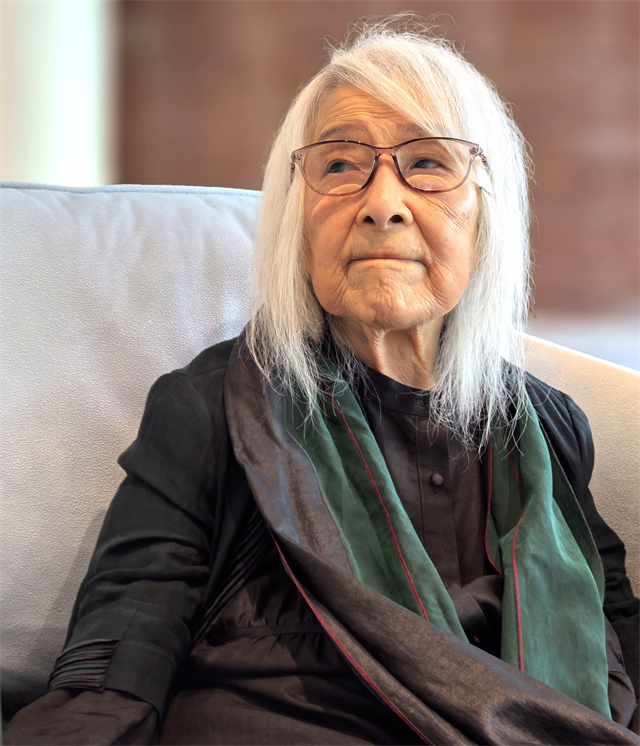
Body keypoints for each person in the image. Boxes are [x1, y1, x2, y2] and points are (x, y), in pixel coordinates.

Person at [4, 19, 639, 746]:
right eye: (339, 165)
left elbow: (620, 643)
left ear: (486, 215)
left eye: (427, 162)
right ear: (297, 221)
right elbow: (114, 671)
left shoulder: (552, 431)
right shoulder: (213, 410)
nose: (382, 202)